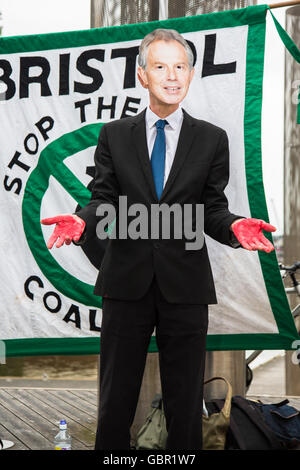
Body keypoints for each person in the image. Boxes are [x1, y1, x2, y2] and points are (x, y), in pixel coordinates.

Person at [41, 29, 276, 450]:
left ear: (189, 75)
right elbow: (103, 200)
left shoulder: (211, 139)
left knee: (185, 403)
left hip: (184, 285)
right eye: (161, 66)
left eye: (181, 67)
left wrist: (234, 228)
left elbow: (211, 210)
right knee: (115, 401)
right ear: (142, 75)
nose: (172, 76)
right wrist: (83, 223)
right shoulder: (114, 135)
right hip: (125, 282)